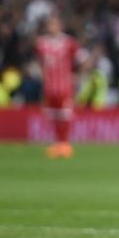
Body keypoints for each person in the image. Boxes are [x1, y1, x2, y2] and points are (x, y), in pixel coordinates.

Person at [35, 15, 82, 159]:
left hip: (64, 86)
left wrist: (77, 76)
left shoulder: (69, 43)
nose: (52, 27)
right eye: (50, 24)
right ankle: (58, 145)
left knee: (64, 116)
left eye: (54, 24)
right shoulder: (41, 43)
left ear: (60, 26)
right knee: (53, 115)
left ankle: (65, 145)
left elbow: (82, 60)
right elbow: (41, 64)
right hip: (50, 87)